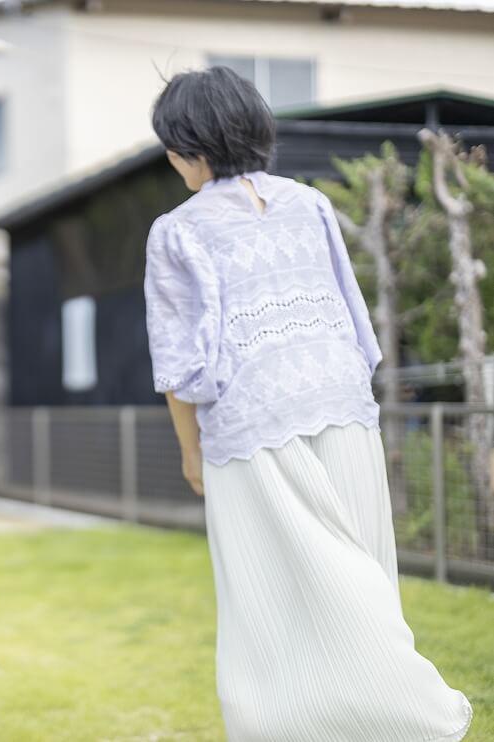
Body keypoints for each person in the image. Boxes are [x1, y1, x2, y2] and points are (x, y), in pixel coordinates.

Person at [144, 67, 472, 741]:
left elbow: (179, 364)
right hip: (342, 410)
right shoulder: (306, 202)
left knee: (269, 604)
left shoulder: (176, 231)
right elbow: (352, 319)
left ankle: (399, 713)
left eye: (171, 145)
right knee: (360, 572)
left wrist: (189, 449)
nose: (170, 159)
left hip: (252, 429)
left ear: (190, 145)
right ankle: (381, 718)